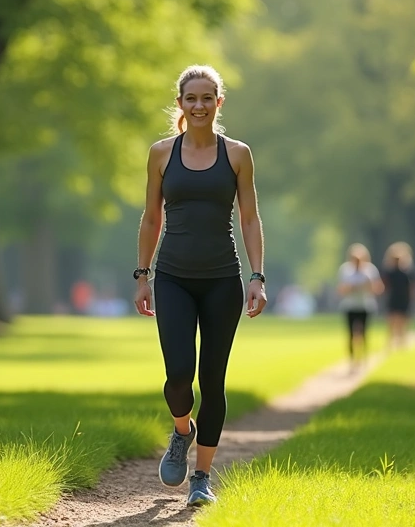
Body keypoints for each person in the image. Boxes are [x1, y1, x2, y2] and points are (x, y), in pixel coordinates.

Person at [132, 64, 266, 508]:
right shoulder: (160, 154)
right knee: (177, 376)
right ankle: (181, 430)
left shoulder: (238, 154)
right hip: (172, 277)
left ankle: (202, 477)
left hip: (222, 280)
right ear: (180, 104)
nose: (200, 105)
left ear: (218, 102)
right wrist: (142, 275)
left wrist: (257, 277)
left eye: (207, 97)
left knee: (213, 379)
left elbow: (249, 217)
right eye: (191, 98)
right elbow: (152, 218)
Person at [336, 243, 384, 368]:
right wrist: (351, 287)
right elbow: (340, 289)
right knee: (351, 334)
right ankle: (352, 360)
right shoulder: (345, 270)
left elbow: (378, 288)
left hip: (365, 305)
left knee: (364, 334)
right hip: (350, 306)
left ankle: (363, 358)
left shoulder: (370, 270)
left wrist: (368, 285)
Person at [381, 242, 415, 351]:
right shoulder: (389, 271)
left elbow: (414, 286)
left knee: (403, 322)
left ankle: (402, 343)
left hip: (404, 299)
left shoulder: (408, 271)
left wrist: (412, 297)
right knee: (391, 321)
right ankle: (390, 343)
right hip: (393, 298)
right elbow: (385, 285)